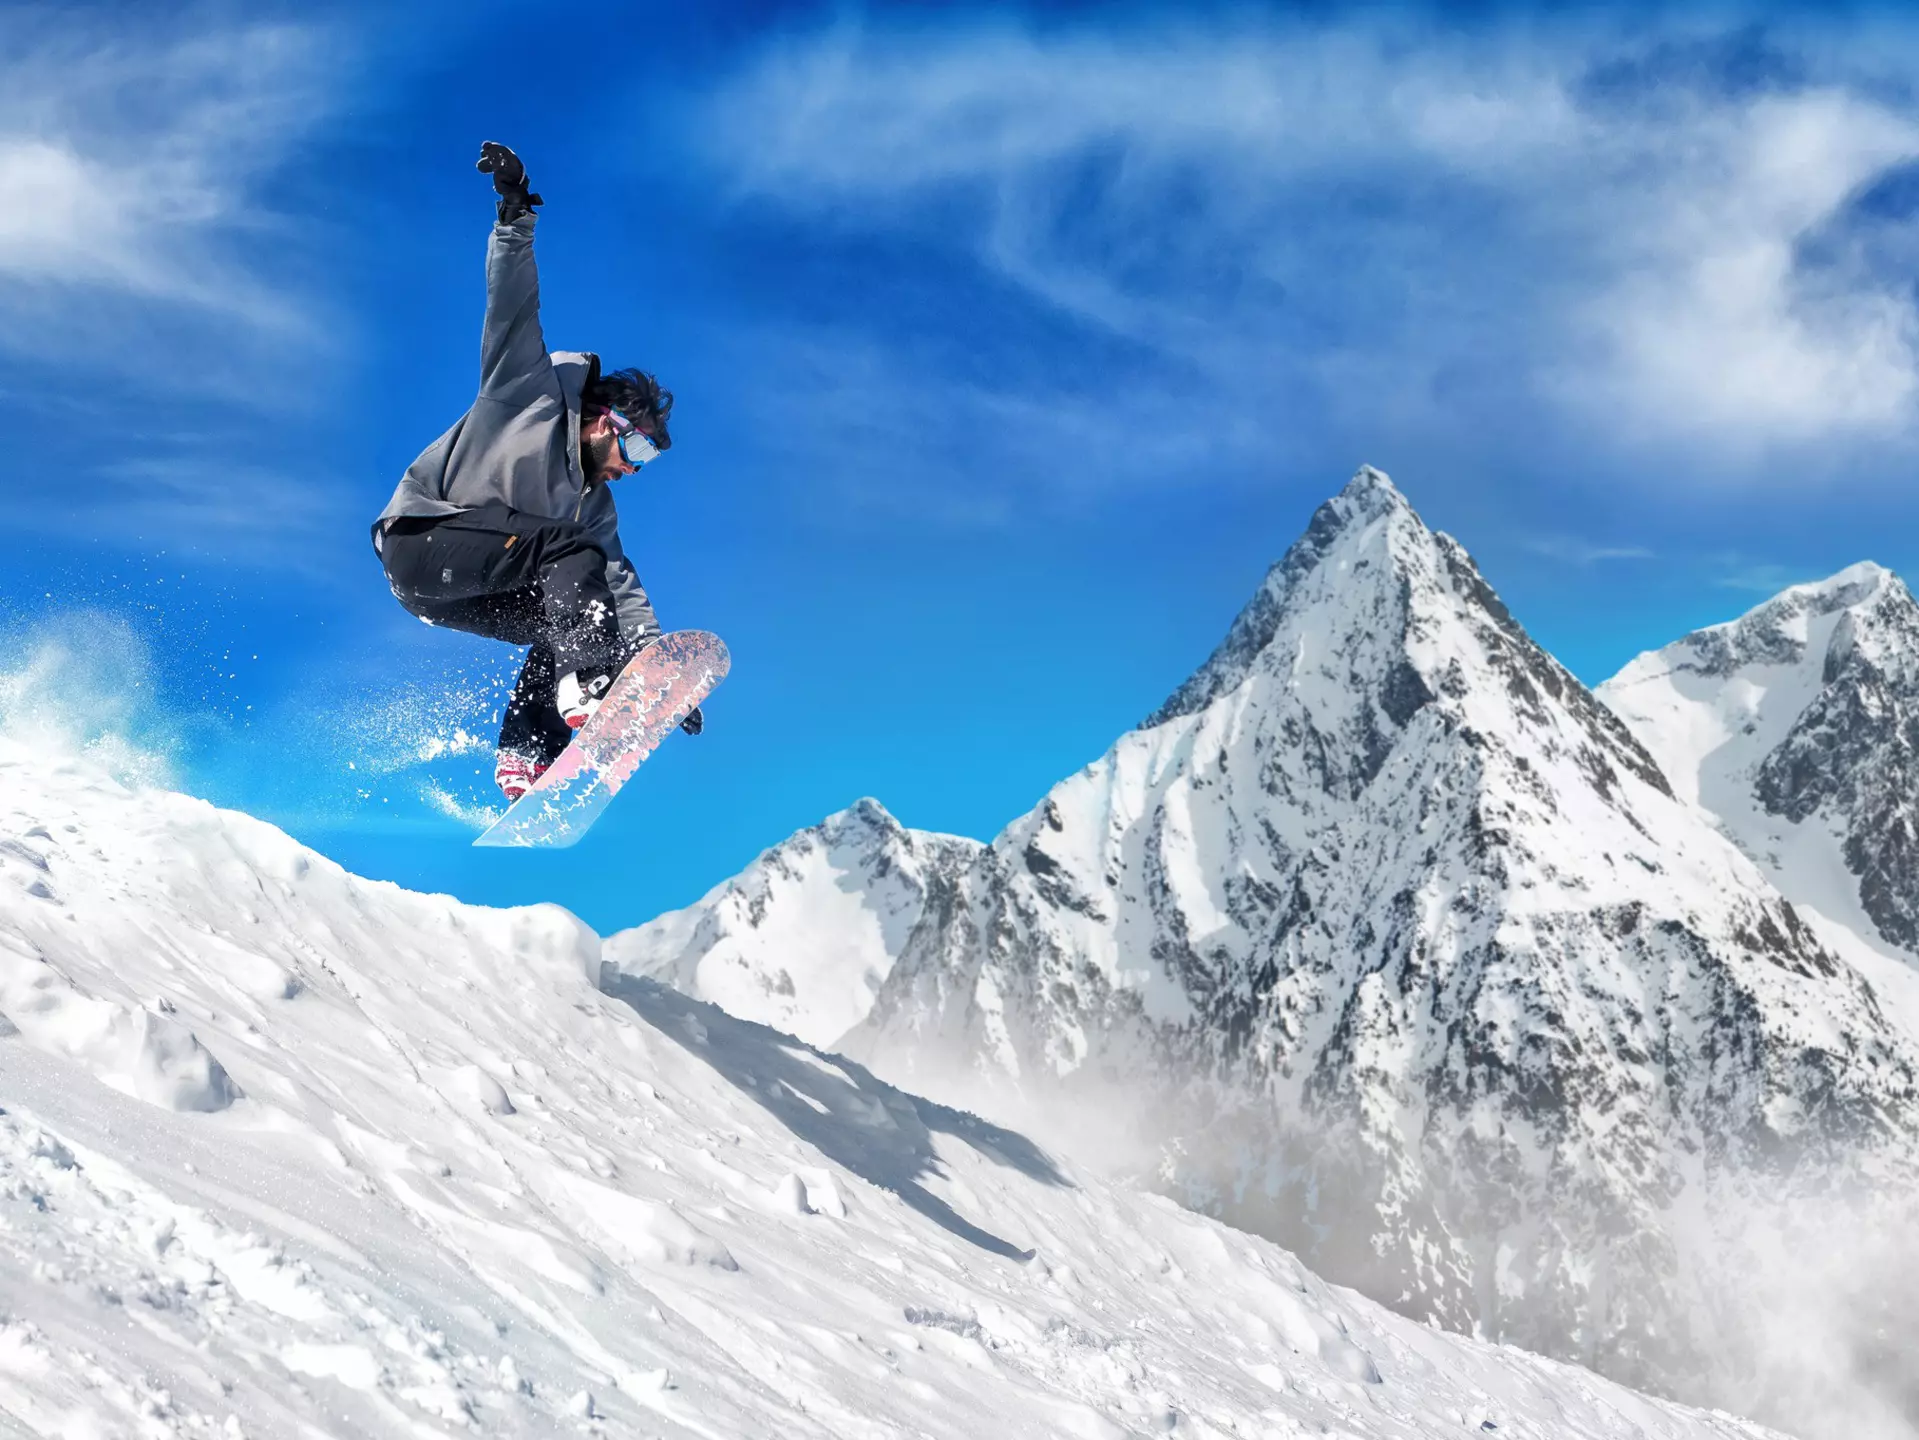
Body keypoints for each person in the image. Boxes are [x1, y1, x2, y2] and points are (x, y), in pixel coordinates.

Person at [371, 142, 701, 802]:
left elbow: (617, 584)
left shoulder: (591, 506)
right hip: (421, 542)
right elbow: (512, 305)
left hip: (455, 592)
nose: (632, 471)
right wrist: (516, 213)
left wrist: (655, 675)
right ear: (604, 420)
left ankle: (525, 756)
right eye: (635, 453)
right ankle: (586, 682)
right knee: (570, 566)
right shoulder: (527, 391)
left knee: (580, 608)